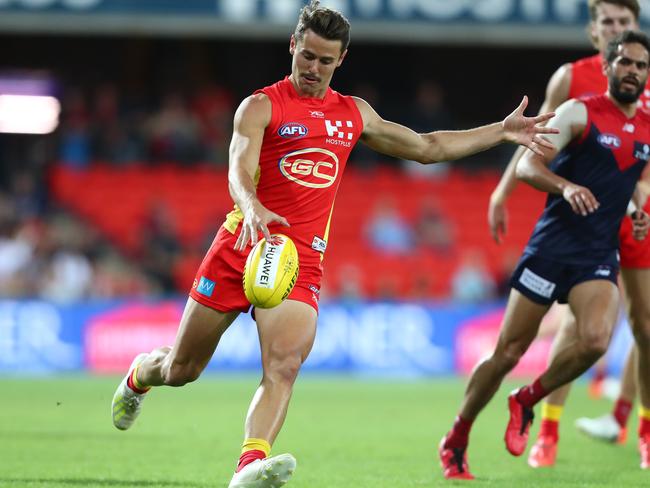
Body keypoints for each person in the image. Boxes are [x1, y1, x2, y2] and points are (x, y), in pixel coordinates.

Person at [110, 2, 557, 487]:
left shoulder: (352, 114)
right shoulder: (261, 106)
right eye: (307, 56)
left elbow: (428, 148)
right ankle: (139, 376)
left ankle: (247, 467)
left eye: (325, 60)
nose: (313, 68)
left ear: (341, 60)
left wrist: (502, 132)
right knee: (181, 368)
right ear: (293, 46)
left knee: (283, 366)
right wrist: (253, 205)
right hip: (241, 244)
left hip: (299, 259)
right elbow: (238, 168)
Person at [439, 30, 650, 480]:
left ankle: (527, 399)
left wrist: (635, 210)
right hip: (552, 247)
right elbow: (528, 165)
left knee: (595, 341)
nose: (632, 71)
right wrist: (566, 186)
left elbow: (630, 177)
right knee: (508, 351)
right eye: (625, 62)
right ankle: (458, 435)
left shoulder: (648, 126)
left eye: (640, 65)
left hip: (596, 252)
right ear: (608, 66)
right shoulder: (580, 112)